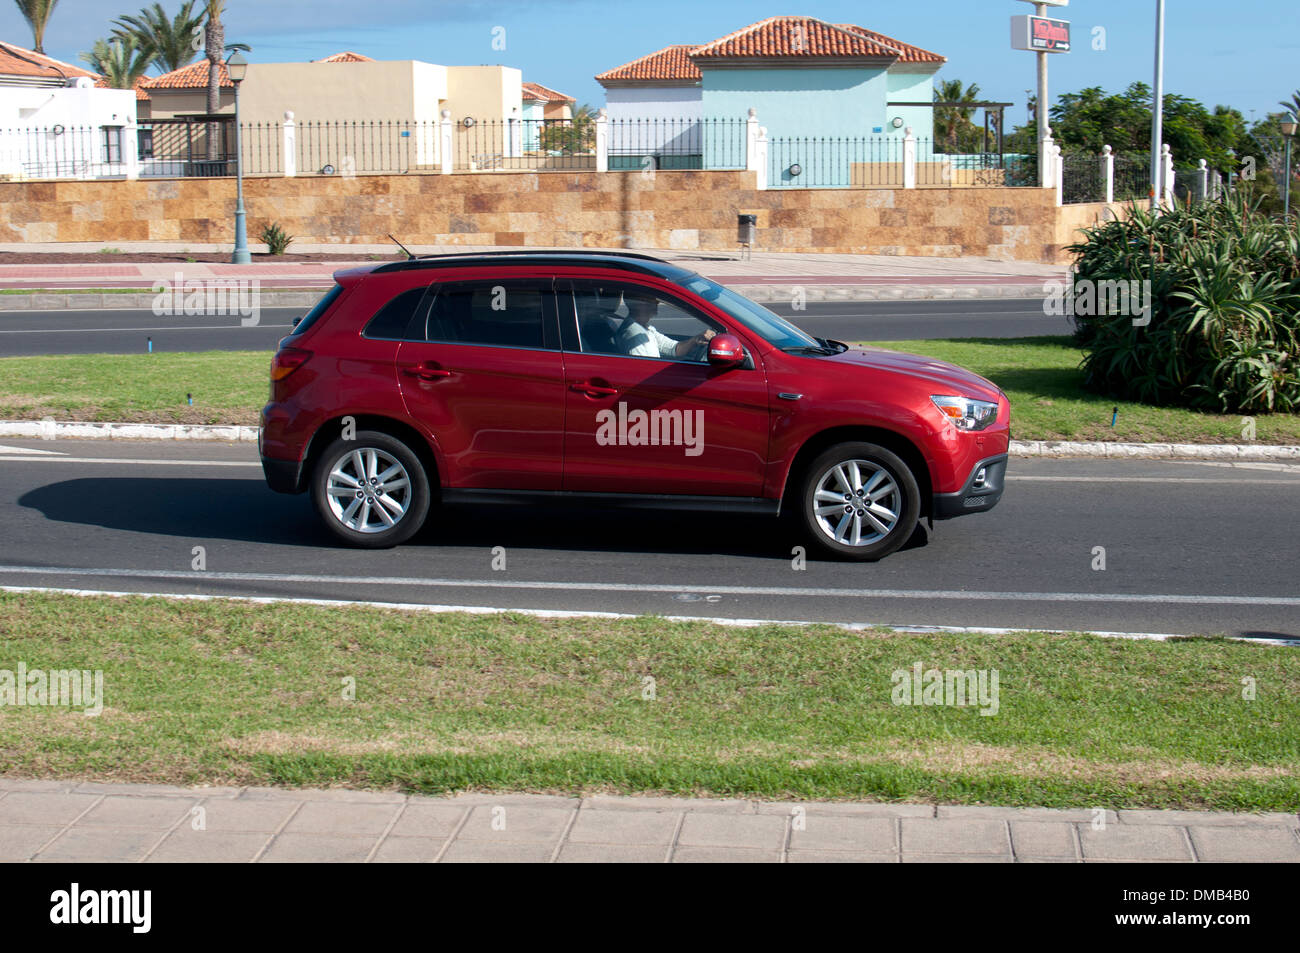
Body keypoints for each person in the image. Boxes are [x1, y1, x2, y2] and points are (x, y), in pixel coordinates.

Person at [613, 292, 715, 360]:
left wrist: (695, 340)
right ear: (638, 303)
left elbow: (673, 349)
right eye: (651, 298)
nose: (657, 302)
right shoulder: (635, 336)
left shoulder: (646, 329)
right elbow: (645, 371)